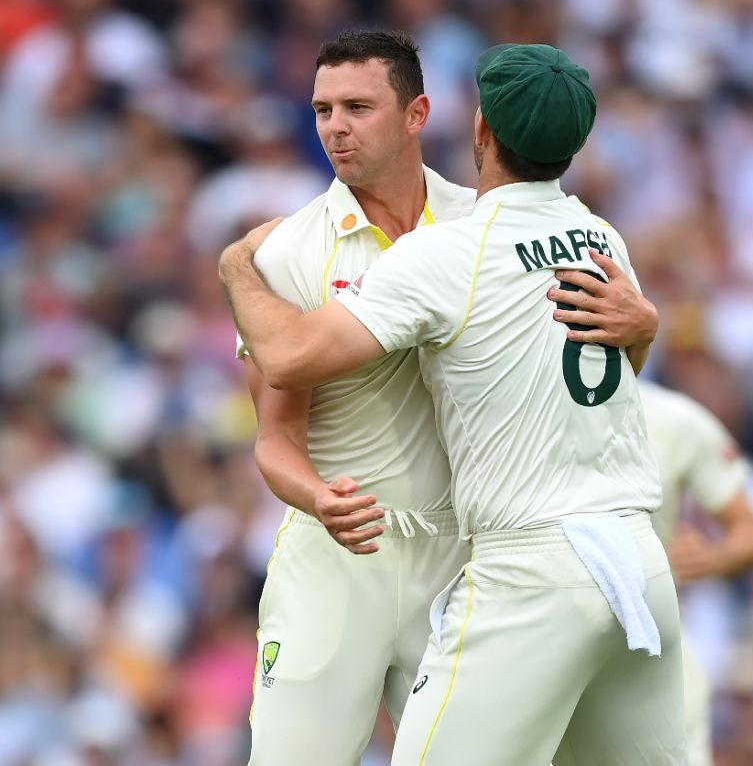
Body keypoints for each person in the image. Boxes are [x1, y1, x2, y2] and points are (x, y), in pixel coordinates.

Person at [220, 43, 684, 765]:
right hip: (342, 553)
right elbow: (274, 438)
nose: (335, 127)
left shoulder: (464, 232)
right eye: (322, 110)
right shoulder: (292, 250)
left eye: (358, 107)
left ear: (430, 118)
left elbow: (291, 353)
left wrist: (231, 271)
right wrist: (318, 495)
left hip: (470, 555)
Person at [637, 379, 753, 766]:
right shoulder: (527, 399)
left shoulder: (678, 419)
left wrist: (713, 557)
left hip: (654, 652)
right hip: (546, 629)